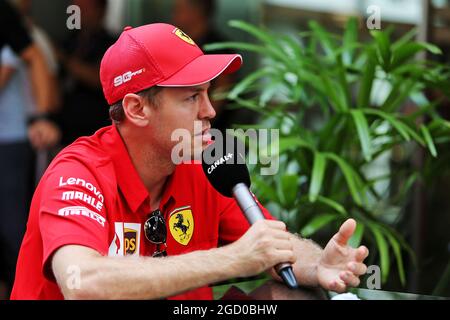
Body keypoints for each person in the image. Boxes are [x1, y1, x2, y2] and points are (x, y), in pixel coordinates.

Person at [11, 23, 369, 300]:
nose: (210, 111)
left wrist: (317, 263)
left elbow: (271, 245)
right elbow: (80, 282)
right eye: (191, 97)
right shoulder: (77, 172)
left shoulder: (204, 163)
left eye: (208, 93)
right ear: (137, 109)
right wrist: (231, 259)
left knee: (288, 295)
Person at [0, 0, 59, 297]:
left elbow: (46, 79)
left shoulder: (24, 37)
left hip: (12, 141)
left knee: (14, 230)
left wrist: (42, 117)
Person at [55, 0, 115, 145]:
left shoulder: (111, 43)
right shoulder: (69, 41)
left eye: (85, 9)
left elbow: (99, 79)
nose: (80, 14)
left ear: (101, 11)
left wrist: (65, 60)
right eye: (77, 9)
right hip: (65, 126)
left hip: (95, 124)